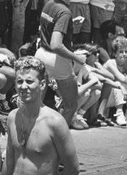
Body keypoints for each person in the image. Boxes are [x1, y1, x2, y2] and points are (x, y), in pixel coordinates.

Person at [35, 0, 88, 129]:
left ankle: (31, 134)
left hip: (41, 54)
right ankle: (59, 138)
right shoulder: (65, 12)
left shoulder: (48, 4)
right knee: (71, 105)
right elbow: (56, 45)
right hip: (57, 60)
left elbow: (46, 27)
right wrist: (77, 58)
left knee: (36, 104)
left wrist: (68, 23)